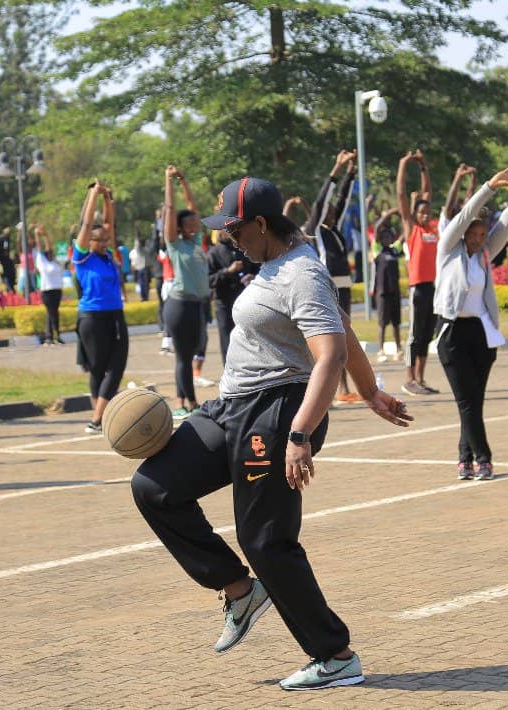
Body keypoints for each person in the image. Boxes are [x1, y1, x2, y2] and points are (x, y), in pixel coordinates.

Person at [132, 177, 412, 691]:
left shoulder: (301, 272)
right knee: (155, 487)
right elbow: (344, 329)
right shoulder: (276, 264)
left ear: (262, 224)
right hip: (231, 407)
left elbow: (329, 352)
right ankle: (240, 590)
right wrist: (372, 391)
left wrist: (301, 435)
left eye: (235, 228)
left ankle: (335, 655)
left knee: (266, 540)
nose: (228, 237)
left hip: (279, 411)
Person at [435, 168, 508, 481]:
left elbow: (505, 225)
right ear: (463, 233)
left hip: (481, 335)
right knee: (467, 401)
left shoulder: (485, 254)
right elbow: (464, 216)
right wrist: (489, 187)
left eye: (481, 235)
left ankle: (464, 459)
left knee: (473, 402)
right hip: (452, 334)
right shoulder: (448, 250)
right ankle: (483, 459)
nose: (478, 239)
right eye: (473, 234)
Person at [73, 182, 129, 433]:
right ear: (88, 241)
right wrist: (93, 195)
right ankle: (99, 418)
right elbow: (87, 226)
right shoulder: (82, 258)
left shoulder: (107, 256)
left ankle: (98, 418)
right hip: (91, 317)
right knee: (97, 369)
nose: (106, 241)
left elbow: (109, 223)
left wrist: (108, 198)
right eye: (101, 239)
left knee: (116, 367)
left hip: (115, 315)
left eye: (107, 238)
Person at [302, 150, 359, 403]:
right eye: (329, 211)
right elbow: (321, 202)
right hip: (328, 289)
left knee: (344, 338)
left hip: (343, 287)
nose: (333, 212)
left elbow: (343, 200)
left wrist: (351, 172)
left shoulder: (334, 230)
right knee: (332, 340)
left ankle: (344, 389)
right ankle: (331, 390)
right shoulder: (316, 231)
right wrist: (336, 170)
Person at [162, 165, 210, 419]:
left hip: (195, 305)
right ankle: (190, 403)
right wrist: (168, 181)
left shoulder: (194, 241)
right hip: (179, 306)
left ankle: (183, 400)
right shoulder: (175, 243)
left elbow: (192, 206)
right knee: (183, 357)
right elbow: (170, 211)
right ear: (178, 228)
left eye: (195, 222)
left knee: (191, 354)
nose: (193, 225)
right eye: (188, 224)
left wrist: (184, 180)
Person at [397, 150, 446, 394]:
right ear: (415, 215)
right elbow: (402, 195)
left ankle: (421, 378)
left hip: (433, 287)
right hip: (418, 289)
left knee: (427, 335)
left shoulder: (433, 228)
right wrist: (405, 164)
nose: (425, 214)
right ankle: (409, 379)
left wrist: (424, 167)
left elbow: (427, 194)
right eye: (421, 212)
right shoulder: (411, 228)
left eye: (428, 212)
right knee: (414, 336)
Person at [207, 227, 258, 364]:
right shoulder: (214, 253)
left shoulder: (243, 248)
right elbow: (209, 280)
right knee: (227, 340)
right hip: (224, 304)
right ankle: (229, 372)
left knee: (249, 339)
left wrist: (252, 276)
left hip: (244, 301)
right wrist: (227, 271)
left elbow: (257, 268)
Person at [371, 214, 403, 357]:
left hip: (395, 292)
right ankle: (381, 350)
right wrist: (388, 214)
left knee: (396, 323)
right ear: (380, 239)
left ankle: (398, 348)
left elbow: (404, 234)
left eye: (389, 237)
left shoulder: (395, 250)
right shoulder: (378, 249)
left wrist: (403, 217)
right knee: (383, 324)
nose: (387, 239)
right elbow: (377, 228)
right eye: (384, 237)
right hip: (382, 293)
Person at [34, 225, 65, 346]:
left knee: (53, 313)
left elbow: (49, 246)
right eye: (49, 253)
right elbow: (40, 246)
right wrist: (37, 234)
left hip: (57, 290)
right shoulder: (42, 261)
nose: (51, 253)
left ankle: (51, 337)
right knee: (53, 313)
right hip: (47, 291)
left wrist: (46, 235)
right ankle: (54, 336)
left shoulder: (54, 263)